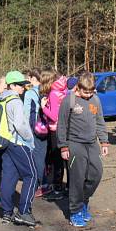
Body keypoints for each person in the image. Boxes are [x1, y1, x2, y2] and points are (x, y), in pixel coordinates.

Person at [58, 72, 110, 227]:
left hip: (92, 143)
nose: (88, 95)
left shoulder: (96, 99)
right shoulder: (70, 100)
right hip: (75, 144)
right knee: (77, 178)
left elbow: (100, 121)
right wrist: (63, 146)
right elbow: (62, 124)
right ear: (78, 88)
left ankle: (83, 202)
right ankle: (75, 211)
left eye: (91, 92)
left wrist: (104, 142)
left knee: (96, 174)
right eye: (85, 92)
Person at [0, 71, 37, 227]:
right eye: (20, 85)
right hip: (18, 142)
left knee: (9, 177)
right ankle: (24, 212)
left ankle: (6, 212)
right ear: (12, 85)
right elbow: (20, 125)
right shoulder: (15, 101)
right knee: (32, 175)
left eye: (24, 84)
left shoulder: (2, 99)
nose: (23, 87)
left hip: (6, 143)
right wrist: (30, 138)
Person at [40, 70, 67, 199]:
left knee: (57, 159)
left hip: (56, 128)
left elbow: (55, 116)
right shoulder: (63, 89)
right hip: (65, 127)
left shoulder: (53, 93)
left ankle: (57, 188)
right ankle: (67, 186)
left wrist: (43, 107)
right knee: (63, 158)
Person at [22, 68, 46, 196]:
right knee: (43, 156)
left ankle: (40, 184)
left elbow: (26, 113)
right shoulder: (46, 89)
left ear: (32, 78)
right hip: (46, 127)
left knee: (36, 157)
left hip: (34, 128)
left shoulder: (30, 93)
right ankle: (46, 183)